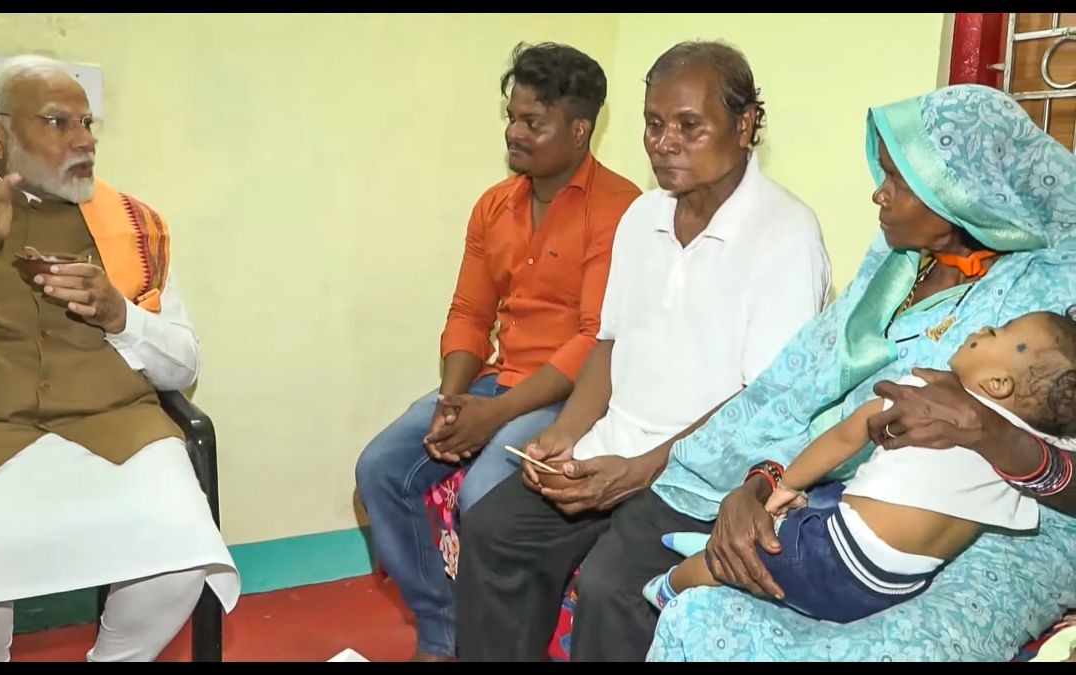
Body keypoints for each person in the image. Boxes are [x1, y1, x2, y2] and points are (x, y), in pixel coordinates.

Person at [646, 83, 1076, 662]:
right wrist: (764, 481)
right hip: (864, 493)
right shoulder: (897, 264)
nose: (879, 193)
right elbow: (812, 392)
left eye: (900, 178)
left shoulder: (1055, 295)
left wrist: (991, 433)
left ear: (963, 190)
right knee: (667, 585)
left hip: (1022, 533)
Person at [454, 40, 831, 662]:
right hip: (614, 447)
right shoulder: (641, 217)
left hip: (703, 477)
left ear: (744, 126)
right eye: (654, 125)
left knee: (614, 588)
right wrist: (566, 435)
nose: (664, 143)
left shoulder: (786, 234)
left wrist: (640, 471)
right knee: (495, 532)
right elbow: (609, 343)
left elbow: (763, 401)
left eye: (689, 125)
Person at [0, 54, 238, 662]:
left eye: (87, 123)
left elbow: (182, 367)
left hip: (113, 428)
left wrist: (120, 315)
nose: (84, 140)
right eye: (57, 122)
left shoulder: (132, 228)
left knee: (182, 556)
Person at [353, 42, 640, 662]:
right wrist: (455, 400)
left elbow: (594, 341)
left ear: (579, 130)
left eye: (533, 122)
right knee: (379, 469)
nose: (514, 132)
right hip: (496, 380)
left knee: (482, 495)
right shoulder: (494, 205)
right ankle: (442, 632)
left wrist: (495, 416)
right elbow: (469, 313)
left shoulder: (621, 210)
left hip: (570, 395)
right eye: (513, 117)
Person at [648, 310, 1076, 624]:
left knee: (737, 554)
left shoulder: (921, 396)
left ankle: (671, 585)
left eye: (998, 332)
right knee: (833, 496)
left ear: (998, 384)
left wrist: (786, 485)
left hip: (835, 558)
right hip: (895, 585)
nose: (983, 328)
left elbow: (842, 439)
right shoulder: (1038, 443)